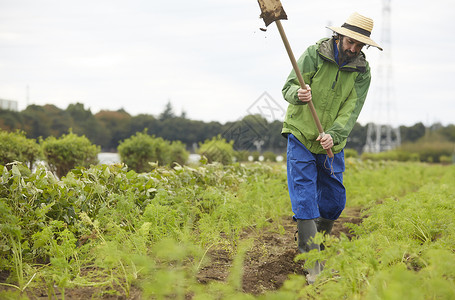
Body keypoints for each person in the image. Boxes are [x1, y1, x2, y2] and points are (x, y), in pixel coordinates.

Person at [281, 12, 382, 284]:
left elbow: (351, 110)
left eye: (360, 46)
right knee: (304, 192)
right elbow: (289, 87)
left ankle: (319, 242)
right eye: (350, 42)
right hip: (301, 133)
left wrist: (334, 135)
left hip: (331, 142)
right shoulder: (315, 54)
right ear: (339, 36)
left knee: (334, 199)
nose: (353, 49)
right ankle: (311, 260)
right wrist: (299, 95)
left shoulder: (362, 71)